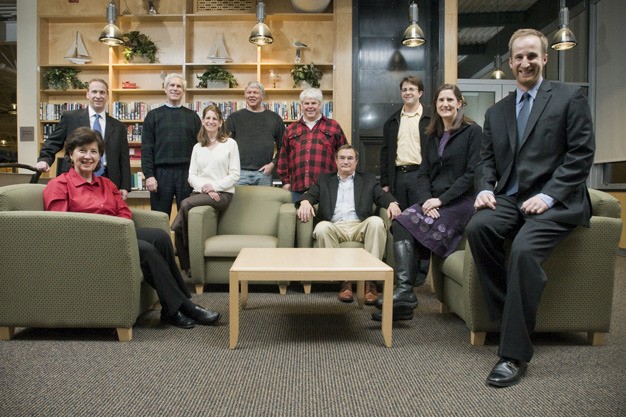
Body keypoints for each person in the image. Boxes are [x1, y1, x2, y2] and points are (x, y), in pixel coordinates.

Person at [466, 29, 595, 388]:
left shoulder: (570, 98)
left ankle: (514, 354)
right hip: (510, 198)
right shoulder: (496, 112)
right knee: (478, 228)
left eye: (532, 56)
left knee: (523, 250)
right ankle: (509, 314)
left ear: (544, 58)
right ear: (510, 62)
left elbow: (581, 154)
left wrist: (550, 195)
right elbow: (486, 161)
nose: (525, 63)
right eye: (519, 57)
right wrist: (483, 190)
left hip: (556, 201)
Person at [43, 127, 221, 329]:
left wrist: (118, 231)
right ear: (70, 154)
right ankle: (185, 306)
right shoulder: (59, 184)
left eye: (94, 151)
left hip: (115, 235)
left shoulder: (106, 184)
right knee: (145, 250)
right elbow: (60, 226)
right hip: (85, 244)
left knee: (160, 237)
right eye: (82, 151)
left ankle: (171, 308)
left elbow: (124, 212)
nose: (88, 156)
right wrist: (106, 231)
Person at [372, 84, 481, 322]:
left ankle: (404, 293)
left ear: (459, 103)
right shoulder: (433, 134)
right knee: (401, 221)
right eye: (441, 100)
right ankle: (405, 291)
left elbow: (472, 174)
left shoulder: (472, 132)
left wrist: (440, 201)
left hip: (460, 201)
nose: (445, 104)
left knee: (415, 227)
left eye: (450, 100)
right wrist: (425, 202)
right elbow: (423, 173)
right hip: (432, 199)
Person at [296, 144, 402, 304]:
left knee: (377, 222)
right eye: (342, 158)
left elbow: (381, 196)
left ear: (356, 162)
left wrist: (393, 203)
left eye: (350, 158)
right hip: (335, 227)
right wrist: (305, 202)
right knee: (322, 227)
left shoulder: (367, 179)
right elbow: (310, 194)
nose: (346, 161)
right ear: (336, 161)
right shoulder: (325, 179)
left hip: (360, 225)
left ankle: (370, 281)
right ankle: (344, 282)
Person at [171, 105, 240, 276]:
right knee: (179, 225)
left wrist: (214, 187)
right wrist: (205, 189)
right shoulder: (197, 147)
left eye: (214, 118)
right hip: (201, 193)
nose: (210, 121)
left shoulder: (230, 144)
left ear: (220, 122)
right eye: (207, 118)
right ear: (203, 121)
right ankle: (188, 267)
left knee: (185, 204)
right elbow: (191, 176)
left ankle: (189, 262)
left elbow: (234, 175)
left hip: (222, 194)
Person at [37, 78, 131, 199]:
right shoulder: (70, 117)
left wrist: (124, 186)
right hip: (75, 177)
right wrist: (44, 159)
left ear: (107, 96)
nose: (98, 96)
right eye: (94, 92)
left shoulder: (118, 126)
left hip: (109, 178)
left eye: (102, 92)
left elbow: (124, 158)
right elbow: (53, 142)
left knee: (107, 214)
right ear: (87, 94)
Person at [141, 73, 202, 217]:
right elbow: (147, 148)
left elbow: (200, 148)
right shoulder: (153, 116)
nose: (175, 89)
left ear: (184, 91)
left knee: (187, 217)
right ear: (165, 88)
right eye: (172, 85)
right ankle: (161, 241)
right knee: (159, 218)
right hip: (161, 174)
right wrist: (149, 175)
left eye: (179, 86)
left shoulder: (192, 116)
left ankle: (185, 241)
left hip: (187, 174)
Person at [277, 88, 347, 202]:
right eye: (306, 103)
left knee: (325, 219)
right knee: (300, 219)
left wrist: (344, 179)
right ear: (301, 106)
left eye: (314, 103)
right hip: (298, 189)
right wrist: (285, 182)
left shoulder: (333, 126)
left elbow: (345, 155)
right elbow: (283, 158)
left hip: (327, 188)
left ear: (320, 105)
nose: (310, 106)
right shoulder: (290, 129)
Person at [380, 75, 431, 210]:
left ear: (420, 93)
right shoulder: (391, 122)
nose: (407, 92)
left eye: (411, 89)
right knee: (400, 219)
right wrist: (385, 183)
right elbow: (385, 153)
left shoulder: (431, 119)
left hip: (421, 175)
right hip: (398, 177)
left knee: (421, 218)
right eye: (404, 90)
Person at [225, 81, 284, 186]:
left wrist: (273, 164)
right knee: (240, 203)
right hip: (239, 173)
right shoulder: (234, 118)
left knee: (263, 203)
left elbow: (283, 147)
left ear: (262, 96)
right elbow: (224, 145)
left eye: (255, 93)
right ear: (245, 95)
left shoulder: (275, 118)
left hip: (265, 173)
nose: (251, 95)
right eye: (249, 92)